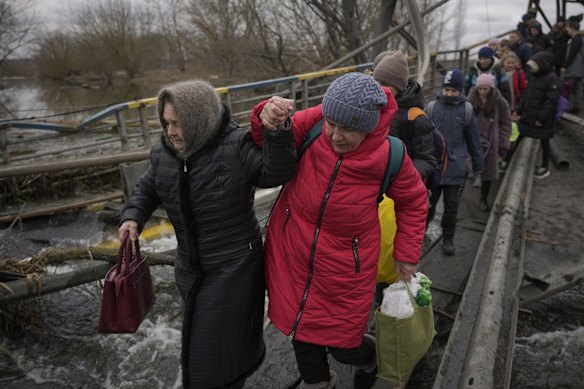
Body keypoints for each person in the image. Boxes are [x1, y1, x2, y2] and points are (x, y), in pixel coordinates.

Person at [250, 72, 428, 389]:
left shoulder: (390, 155)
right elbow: (266, 142)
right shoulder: (318, 121)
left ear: (370, 126)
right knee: (300, 331)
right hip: (294, 254)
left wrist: (406, 254)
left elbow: (414, 201)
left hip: (346, 268)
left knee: (344, 346)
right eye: (332, 124)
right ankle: (318, 382)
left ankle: (371, 358)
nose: (334, 135)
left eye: (348, 128)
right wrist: (267, 114)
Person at [118, 80, 297, 388]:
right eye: (166, 123)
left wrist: (276, 133)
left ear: (199, 119)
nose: (171, 132)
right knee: (213, 349)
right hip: (189, 268)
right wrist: (133, 216)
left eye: (179, 123)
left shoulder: (235, 145)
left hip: (235, 267)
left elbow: (275, 172)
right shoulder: (163, 152)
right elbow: (148, 187)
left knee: (207, 355)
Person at [426, 69, 484, 256]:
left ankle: (448, 237)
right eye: (447, 90)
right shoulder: (432, 107)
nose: (449, 94)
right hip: (433, 168)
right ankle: (419, 233)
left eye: (454, 90)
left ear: (460, 91)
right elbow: (423, 137)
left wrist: (478, 166)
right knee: (427, 205)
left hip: (456, 167)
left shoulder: (466, 110)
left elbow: (474, 140)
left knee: (451, 208)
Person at [372, 51, 437, 184]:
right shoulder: (372, 106)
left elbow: (427, 160)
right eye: (375, 82)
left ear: (399, 86)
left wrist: (402, 178)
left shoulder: (416, 118)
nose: (379, 88)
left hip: (398, 185)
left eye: (384, 83)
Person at [506, 51, 560, 179]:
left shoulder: (552, 79)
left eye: (534, 65)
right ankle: (506, 160)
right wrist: (518, 111)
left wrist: (541, 118)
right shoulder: (534, 77)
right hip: (528, 116)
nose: (530, 68)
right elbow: (526, 96)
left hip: (541, 119)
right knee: (517, 137)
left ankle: (544, 167)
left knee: (544, 140)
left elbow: (551, 102)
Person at [467, 74, 512, 212]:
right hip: (473, 140)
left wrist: (503, 144)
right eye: (480, 89)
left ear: (491, 88)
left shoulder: (500, 102)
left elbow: (506, 123)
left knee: (488, 173)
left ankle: (483, 198)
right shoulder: (470, 100)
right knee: (467, 167)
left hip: (490, 141)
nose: (482, 92)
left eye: (485, 89)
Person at [562, 20, 584, 113]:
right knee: (578, 89)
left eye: (567, 27)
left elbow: (572, 54)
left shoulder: (576, 39)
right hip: (581, 69)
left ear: (572, 28)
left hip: (573, 69)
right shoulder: (582, 38)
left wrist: (565, 66)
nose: (566, 30)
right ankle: (577, 107)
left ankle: (564, 107)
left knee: (566, 89)